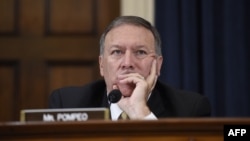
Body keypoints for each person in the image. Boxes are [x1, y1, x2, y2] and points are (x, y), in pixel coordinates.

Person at [49, 16, 211, 120]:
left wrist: (141, 112)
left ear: (158, 65)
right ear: (101, 65)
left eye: (140, 52)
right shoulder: (68, 104)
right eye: (117, 52)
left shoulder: (190, 110)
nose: (127, 63)